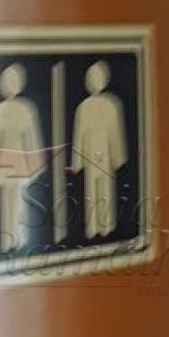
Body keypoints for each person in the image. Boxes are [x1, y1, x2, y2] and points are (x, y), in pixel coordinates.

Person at [0, 63, 46, 252]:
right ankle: (7, 239)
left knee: (18, 200)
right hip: (4, 163)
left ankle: (18, 238)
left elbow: (32, 139)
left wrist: (36, 163)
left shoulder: (25, 110)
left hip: (18, 162)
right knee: (7, 201)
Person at [71, 60, 127, 239]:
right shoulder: (83, 108)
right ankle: (93, 226)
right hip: (90, 153)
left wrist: (118, 157)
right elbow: (79, 135)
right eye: (93, 78)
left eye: (98, 77)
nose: (95, 81)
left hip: (105, 153)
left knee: (106, 189)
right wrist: (77, 161)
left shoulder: (111, 106)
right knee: (91, 191)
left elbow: (115, 133)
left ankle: (107, 225)